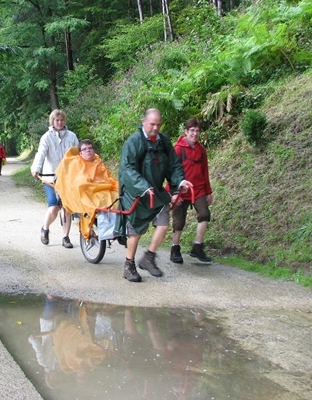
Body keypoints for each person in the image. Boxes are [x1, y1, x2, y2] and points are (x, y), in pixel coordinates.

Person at [116, 108, 190, 282]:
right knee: (136, 232)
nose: (155, 128)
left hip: (155, 192)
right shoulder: (134, 141)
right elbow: (127, 169)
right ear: (143, 122)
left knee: (163, 224)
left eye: (158, 124)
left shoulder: (163, 141)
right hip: (134, 193)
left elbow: (174, 165)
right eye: (152, 124)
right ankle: (129, 265)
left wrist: (180, 182)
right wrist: (142, 187)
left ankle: (148, 257)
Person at [31, 109, 79, 248]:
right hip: (50, 176)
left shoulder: (71, 136)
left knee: (67, 208)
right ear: (52, 121)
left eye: (62, 120)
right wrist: (36, 169)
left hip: (67, 177)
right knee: (54, 207)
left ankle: (66, 237)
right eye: (57, 120)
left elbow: (77, 155)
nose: (59, 122)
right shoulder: (46, 137)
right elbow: (41, 153)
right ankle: (45, 228)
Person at [54, 139, 119, 240]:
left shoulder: (98, 161)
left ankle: (116, 229)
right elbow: (76, 181)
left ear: (94, 150)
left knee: (117, 197)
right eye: (84, 149)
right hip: (85, 192)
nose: (88, 151)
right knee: (99, 202)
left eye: (90, 148)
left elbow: (107, 176)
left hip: (102, 188)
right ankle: (105, 230)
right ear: (80, 153)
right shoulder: (75, 162)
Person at [170, 118, 213, 264]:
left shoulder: (201, 150)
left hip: (198, 189)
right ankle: (175, 248)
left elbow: (204, 172)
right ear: (186, 131)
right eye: (192, 130)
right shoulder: (178, 149)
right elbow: (171, 172)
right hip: (181, 190)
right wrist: (174, 193)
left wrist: (208, 191)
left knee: (205, 214)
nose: (195, 134)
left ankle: (197, 246)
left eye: (197, 131)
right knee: (178, 221)